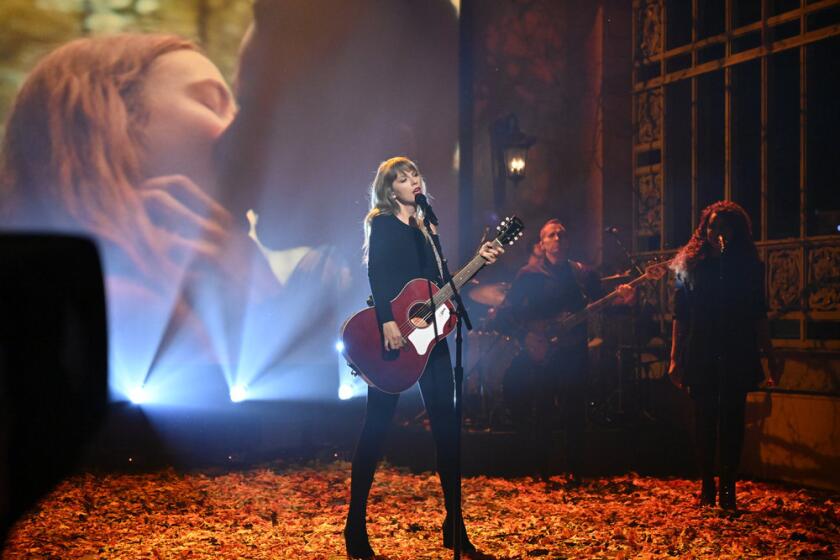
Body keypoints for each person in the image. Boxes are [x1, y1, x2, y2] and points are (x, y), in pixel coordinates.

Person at [0, 34, 279, 389]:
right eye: (212, 103)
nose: (239, 130)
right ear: (107, 123)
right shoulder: (126, 304)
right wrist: (269, 304)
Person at [345, 157, 502, 559]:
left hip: (431, 337)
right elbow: (378, 275)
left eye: (415, 175)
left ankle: (455, 526)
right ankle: (355, 528)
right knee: (376, 428)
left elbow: (438, 285)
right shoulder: (382, 222)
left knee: (447, 428)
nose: (412, 181)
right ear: (389, 188)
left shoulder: (427, 226)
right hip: (393, 335)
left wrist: (478, 260)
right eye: (402, 178)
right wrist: (386, 322)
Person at [496, 219, 632, 485]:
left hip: (574, 352)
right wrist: (527, 336)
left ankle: (575, 470)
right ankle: (541, 470)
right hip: (543, 352)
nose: (557, 238)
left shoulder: (583, 274)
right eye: (551, 235)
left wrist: (624, 300)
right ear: (542, 243)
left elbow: (604, 305)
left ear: (568, 242)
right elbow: (505, 314)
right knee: (543, 410)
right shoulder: (529, 275)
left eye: (562, 234)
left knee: (574, 411)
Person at [668, 200, 781, 510]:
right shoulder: (690, 265)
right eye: (713, 226)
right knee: (704, 419)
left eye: (725, 227)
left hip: (735, 346)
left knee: (732, 419)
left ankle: (728, 487)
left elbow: (759, 312)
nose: (718, 232)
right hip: (702, 346)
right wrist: (675, 357)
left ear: (737, 232)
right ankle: (707, 485)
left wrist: (770, 354)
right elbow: (681, 314)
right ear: (704, 229)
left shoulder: (747, 267)